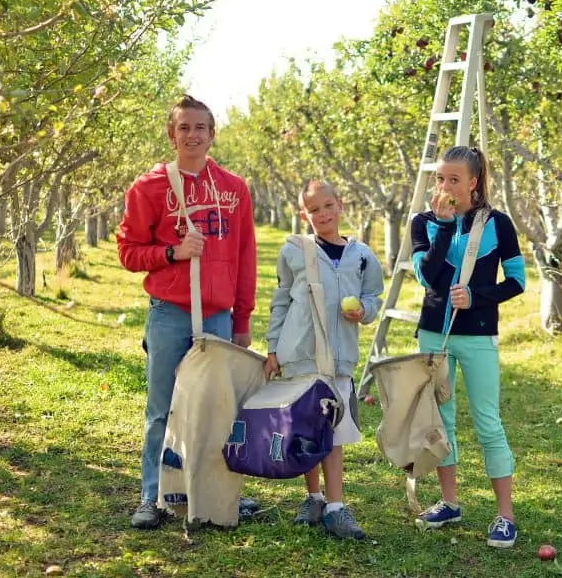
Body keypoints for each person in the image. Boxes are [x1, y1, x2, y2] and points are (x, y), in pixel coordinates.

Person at [117, 95, 260, 529]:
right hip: (169, 313)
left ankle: (214, 495)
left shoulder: (233, 190)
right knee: (162, 408)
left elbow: (246, 255)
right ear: (171, 134)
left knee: (217, 409)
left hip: (216, 317)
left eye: (201, 127)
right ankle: (151, 496)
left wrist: (241, 319)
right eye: (184, 127)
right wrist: (172, 253)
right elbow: (127, 251)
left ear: (212, 134)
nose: (192, 135)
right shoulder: (149, 188)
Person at [410, 146, 526, 548]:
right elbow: (428, 276)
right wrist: (443, 226)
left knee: (487, 422)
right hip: (433, 335)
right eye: (440, 178)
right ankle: (449, 501)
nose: (444, 187)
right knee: (440, 422)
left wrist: (476, 297)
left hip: (477, 336)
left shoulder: (498, 223)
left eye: (454, 180)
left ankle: (505, 515)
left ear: (473, 182)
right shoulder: (423, 221)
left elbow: (517, 281)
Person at [264, 180, 384, 540]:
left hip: (339, 358)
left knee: (334, 431)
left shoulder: (362, 255)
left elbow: (373, 296)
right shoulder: (294, 250)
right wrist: (272, 348)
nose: (323, 214)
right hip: (300, 354)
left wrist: (364, 310)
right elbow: (281, 299)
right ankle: (313, 497)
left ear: (340, 204)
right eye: (314, 210)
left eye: (328, 206)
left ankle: (336, 505)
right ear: (305, 214)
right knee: (306, 429)